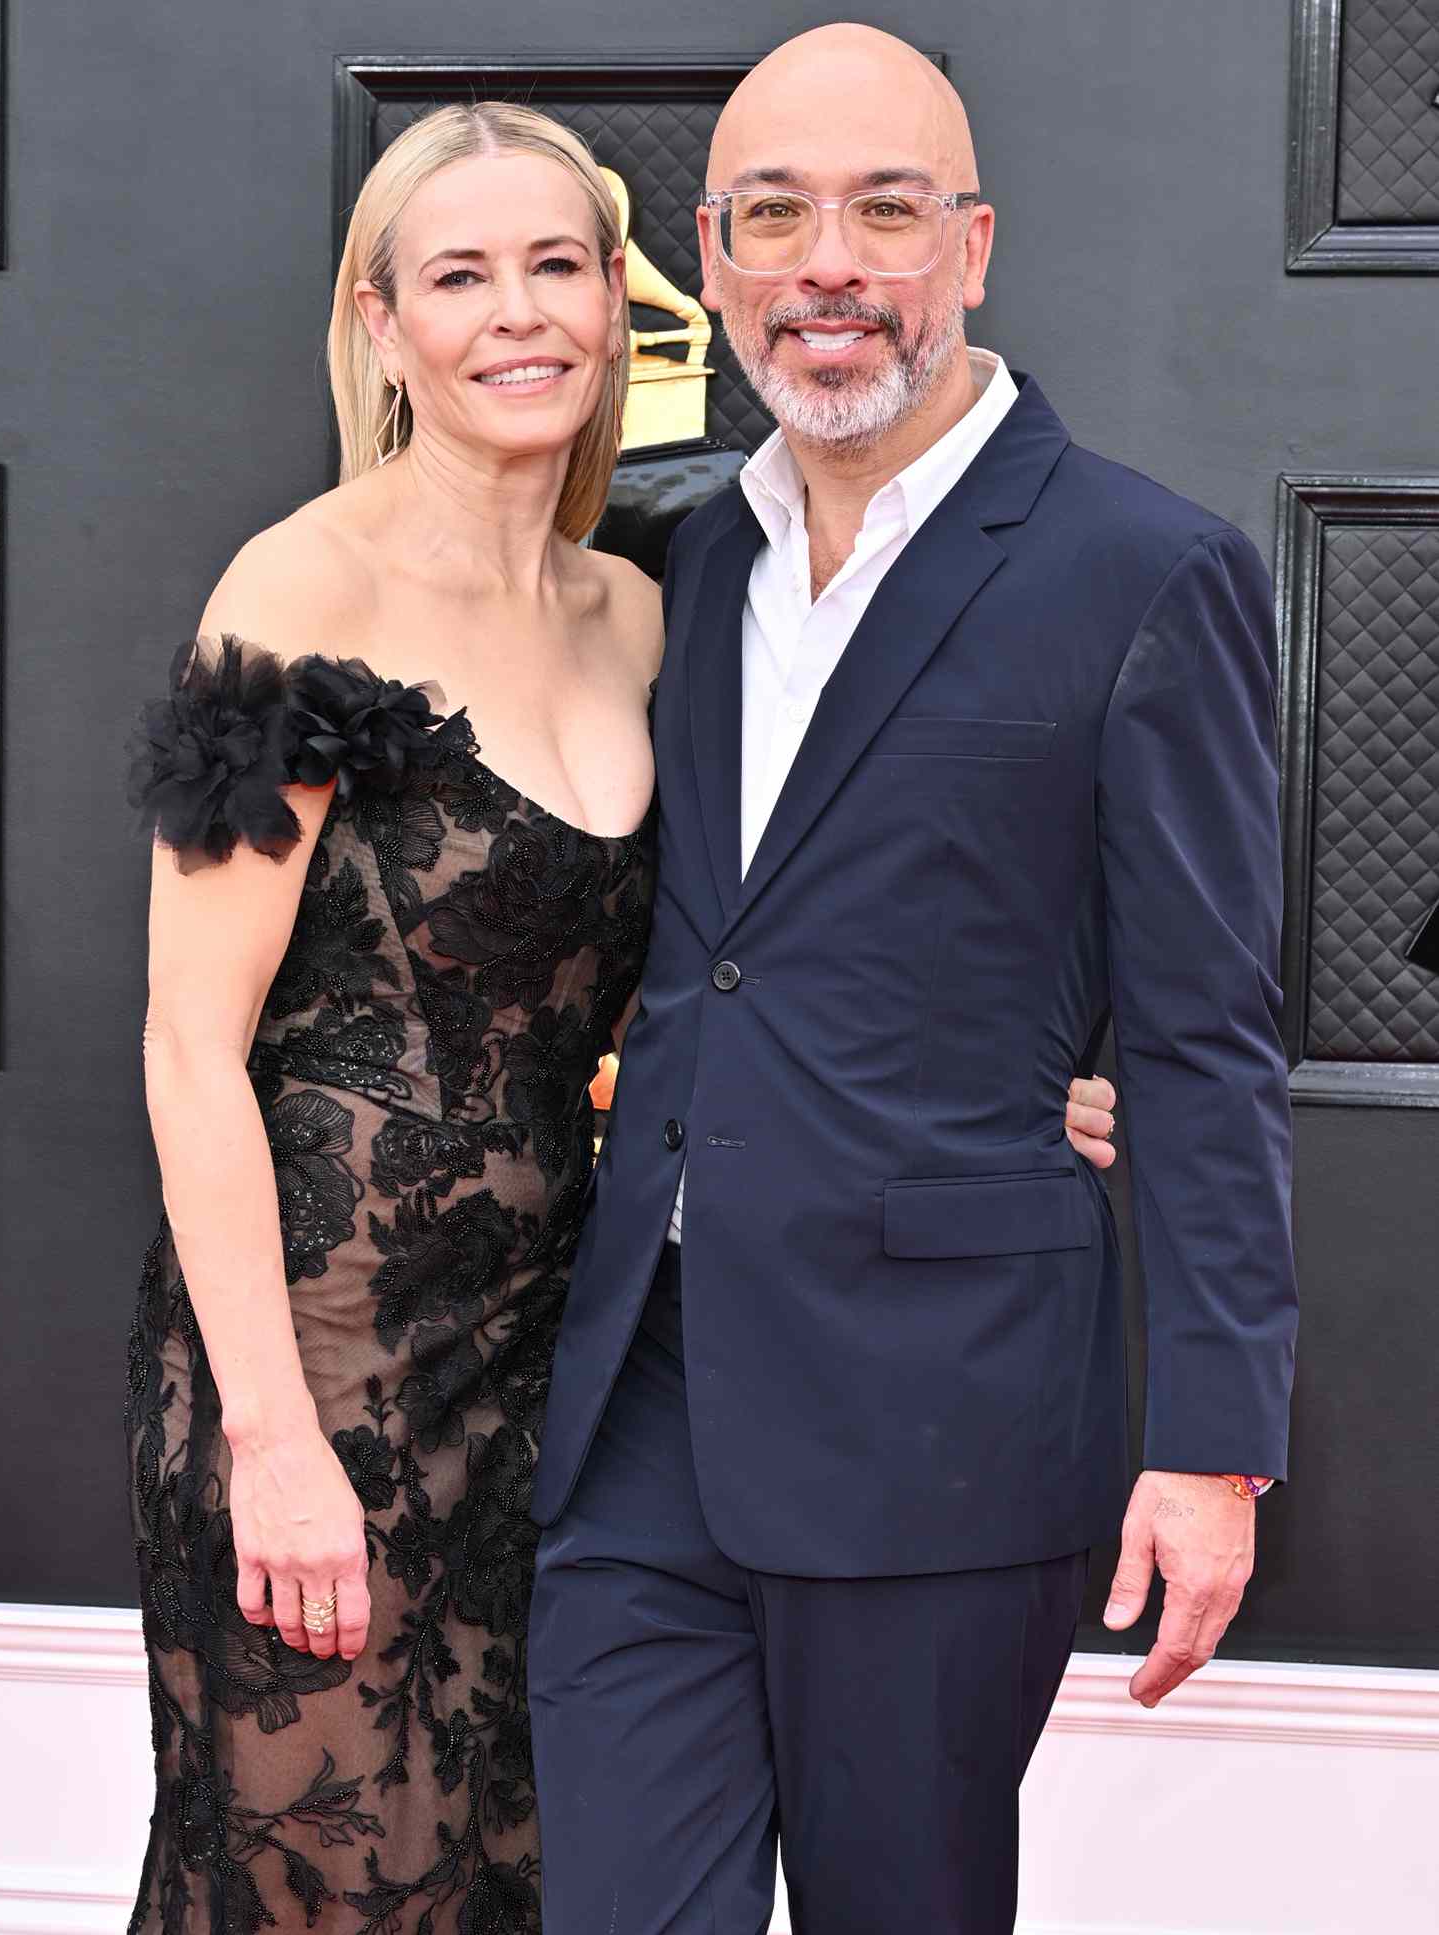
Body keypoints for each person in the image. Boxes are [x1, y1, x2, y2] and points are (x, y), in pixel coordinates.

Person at [122, 98, 1118, 1934]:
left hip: (581, 1376)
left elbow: (749, 958)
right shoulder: (299, 589)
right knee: (323, 1884)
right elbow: (191, 1047)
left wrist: (1000, 1091)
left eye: (559, 265)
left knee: (541, 1880)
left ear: (623, 302)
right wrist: (270, 1439)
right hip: (323, 1365)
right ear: (380, 320)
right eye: (462, 274)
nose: (520, 314)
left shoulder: (656, 604)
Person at [527, 26, 1298, 1935]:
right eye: (775, 215)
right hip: (643, 1391)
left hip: (943, 1421)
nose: (829, 265)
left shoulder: (1142, 569)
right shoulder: (674, 559)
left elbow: (1205, 1036)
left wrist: (1215, 1446)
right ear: (709, 260)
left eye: (885, 211)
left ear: (974, 246)